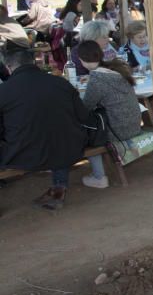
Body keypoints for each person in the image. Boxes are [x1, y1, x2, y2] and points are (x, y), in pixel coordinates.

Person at [0, 43, 89, 210]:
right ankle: (59, 188)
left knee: (45, 136)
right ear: (34, 63)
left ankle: (58, 189)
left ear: (8, 67)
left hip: (23, 154)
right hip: (70, 148)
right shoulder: (61, 83)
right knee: (58, 135)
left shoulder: (4, 91)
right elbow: (83, 116)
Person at [75, 40, 144, 189]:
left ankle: (99, 177)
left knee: (89, 133)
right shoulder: (115, 70)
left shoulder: (98, 78)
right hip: (133, 125)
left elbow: (86, 107)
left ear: (81, 60)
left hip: (118, 131)